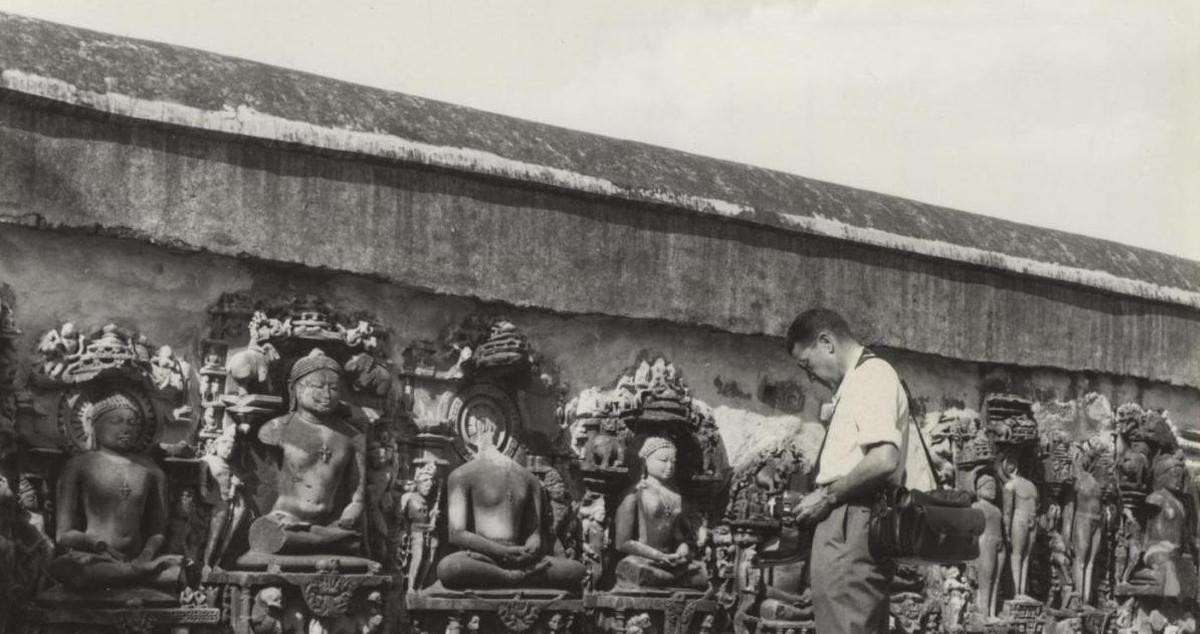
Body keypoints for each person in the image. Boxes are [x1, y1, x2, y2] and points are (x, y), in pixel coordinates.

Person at [788, 308, 909, 634]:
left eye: (807, 365)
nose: (811, 377)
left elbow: (884, 458)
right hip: (848, 519)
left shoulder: (872, 376)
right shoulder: (860, 381)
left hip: (850, 518)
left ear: (827, 342)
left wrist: (826, 497)